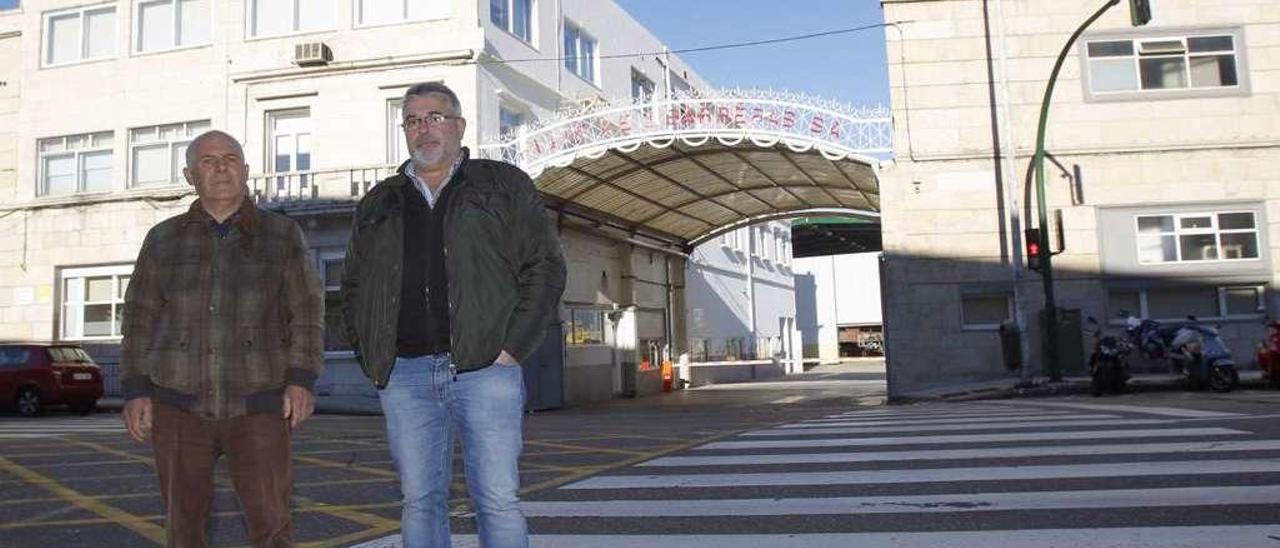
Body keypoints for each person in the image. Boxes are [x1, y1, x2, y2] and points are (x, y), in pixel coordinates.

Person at [341, 82, 566, 548]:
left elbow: (544, 266)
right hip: (403, 375)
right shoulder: (380, 201)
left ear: (459, 126)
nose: (425, 129)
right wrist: (372, 358)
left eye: (435, 117)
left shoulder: (501, 184)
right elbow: (354, 286)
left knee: (497, 499)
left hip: (486, 370)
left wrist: (512, 348)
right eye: (413, 120)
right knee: (419, 501)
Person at [120, 130, 325, 548]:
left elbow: (306, 311)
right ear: (190, 174)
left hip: (260, 404)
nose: (221, 167)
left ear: (246, 170)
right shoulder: (163, 239)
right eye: (209, 160)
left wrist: (302, 378)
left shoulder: (282, 235)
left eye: (230, 158)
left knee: (272, 524)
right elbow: (139, 318)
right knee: (184, 527)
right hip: (177, 406)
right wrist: (136, 390)